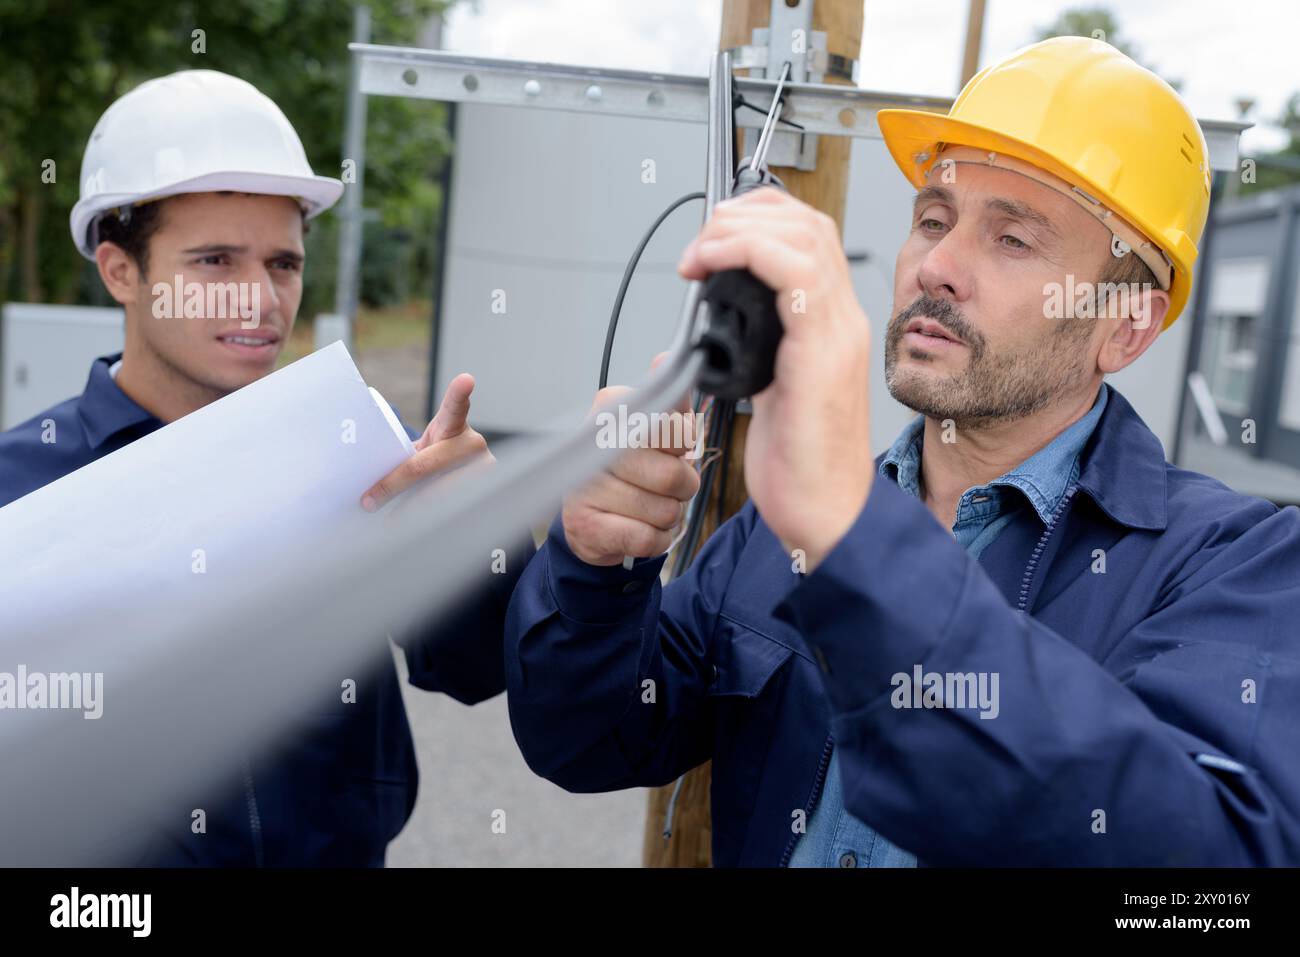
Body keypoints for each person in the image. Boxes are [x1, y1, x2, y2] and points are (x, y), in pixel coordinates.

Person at [502, 37, 1300, 866]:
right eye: (932, 220)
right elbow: (588, 741)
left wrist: (856, 545)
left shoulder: (1233, 566)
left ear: (1126, 325)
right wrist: (598, 568)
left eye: (1013, 240)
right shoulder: (778, 531)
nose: (938, 267)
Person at [0, 69, 528, 865]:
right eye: (215, 262)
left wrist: (482, 545)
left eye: (282, 263)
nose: (261, 299)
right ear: (120, 271)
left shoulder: (371, 460)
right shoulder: (21, 487)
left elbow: (474, 669)